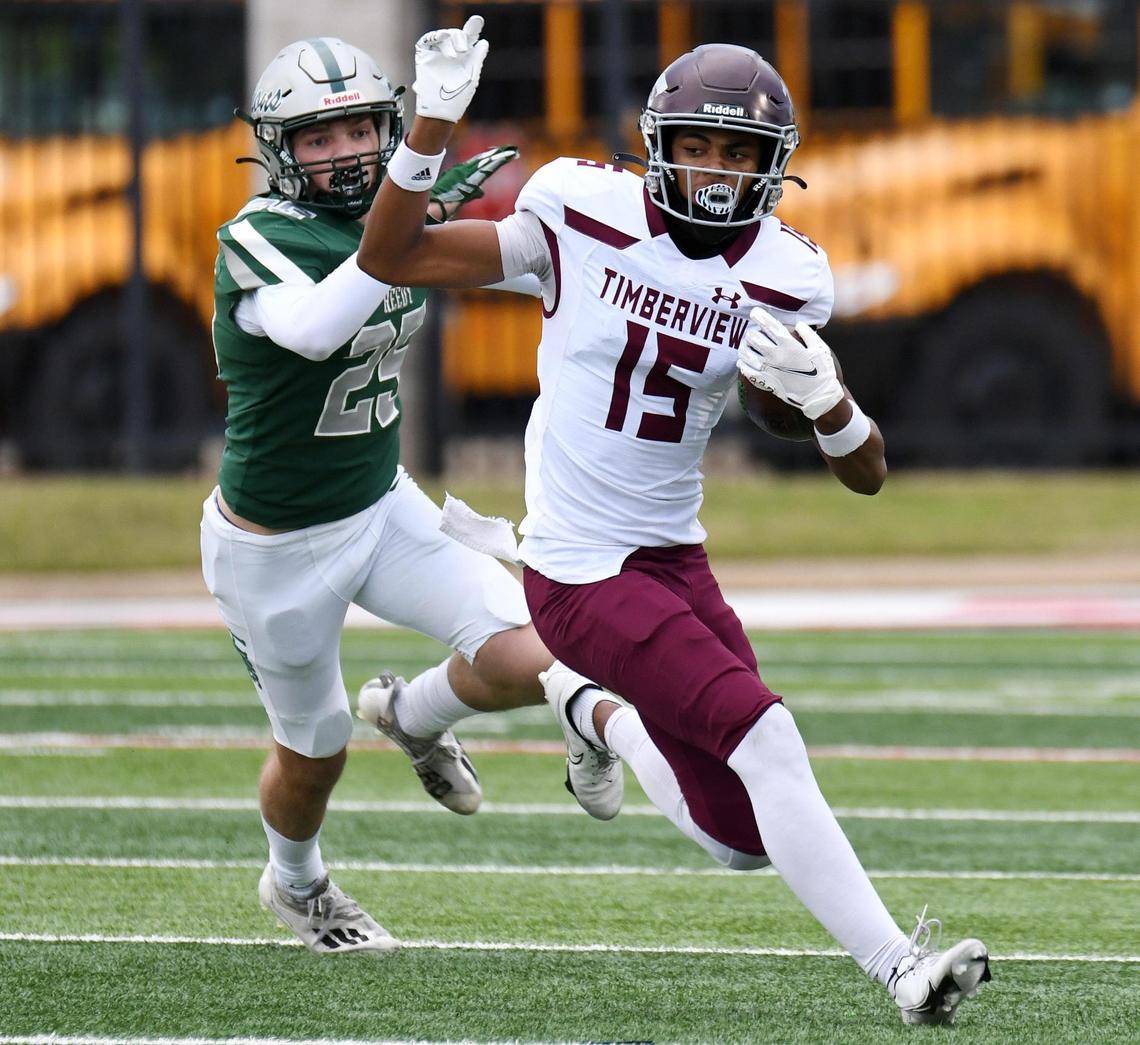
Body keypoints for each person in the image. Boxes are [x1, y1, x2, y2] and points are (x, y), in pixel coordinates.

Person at [356, 16, 992, 1024]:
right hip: (578, 568)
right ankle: (902, 971)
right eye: (698, 144)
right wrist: (432, 121)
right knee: (767, 736)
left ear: (772, 163)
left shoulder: (787, 271)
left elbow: (864, 471)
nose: (716, 170)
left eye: (739, 152)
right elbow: (392, 254)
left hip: (673, 558)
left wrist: (827, 401)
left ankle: (588, 709)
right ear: (657, 143)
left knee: (741, 835)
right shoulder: (581, 212)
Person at [200, 35, 624, 956]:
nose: (347, 152)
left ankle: (416, 713)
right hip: (275, 546)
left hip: (379, 502)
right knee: (316, 749)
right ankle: (297, 883)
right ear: (280, 150)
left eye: (362, 130)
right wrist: (416, 175)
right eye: (320, 138)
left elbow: (527, 268)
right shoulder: (260, 234)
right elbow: (315, 328)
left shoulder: (395, 222)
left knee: (545, 646)